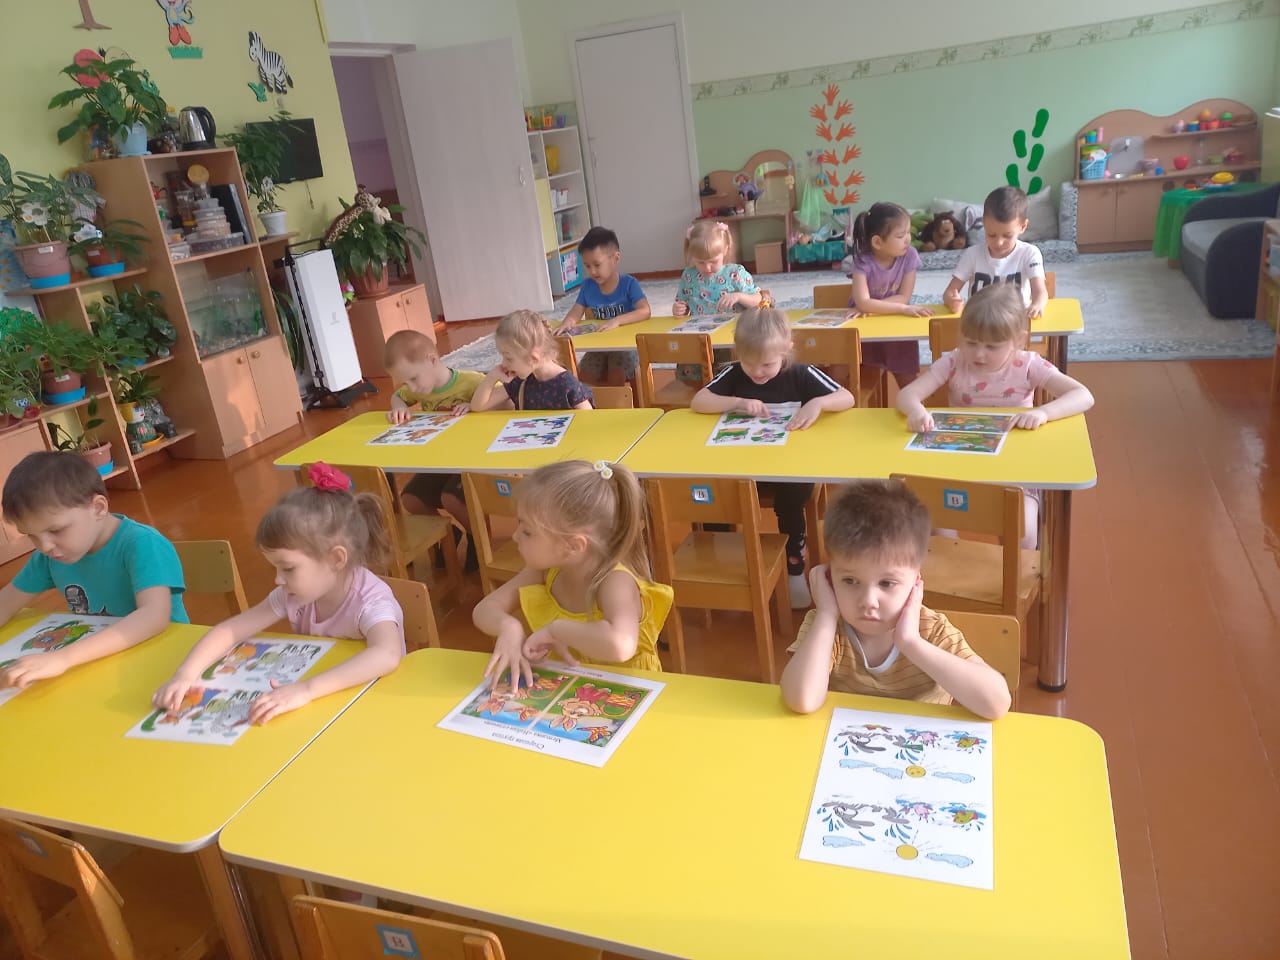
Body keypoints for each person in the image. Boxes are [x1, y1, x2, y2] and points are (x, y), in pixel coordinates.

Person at [151, 463, 404, 725]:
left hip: (374, 709)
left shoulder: (372, 602)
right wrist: (185, 674)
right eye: (276, 568)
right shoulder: (292, 594)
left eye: (288, 568)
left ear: (336, 559)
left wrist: (305, 690)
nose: (278, 579)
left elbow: (386, 654)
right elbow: (230, 631)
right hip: (321, 706)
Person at [780, 479, 1011, 720]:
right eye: (850, 580)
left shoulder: (931, 630)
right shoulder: (825, 626)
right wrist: (827, 615)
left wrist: (910, 642)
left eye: (886, 583)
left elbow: (996, 703)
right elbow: (801, 699)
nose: (868, 601)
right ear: (829, 577)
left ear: (916, 581)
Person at [896, 284, 1094, 547]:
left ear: (1018, 340)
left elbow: (1083, 395)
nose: (979, 354)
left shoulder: (1028, 364)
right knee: (939, 525)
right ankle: (957, 569)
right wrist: (916, 410)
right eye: (971, 342)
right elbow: (906, 395)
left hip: (1015, 466)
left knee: (1024, 533)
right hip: (959, 463)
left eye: (992, 346)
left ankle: (1016, 570)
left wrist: (1043, 412)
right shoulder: (954, 361)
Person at [690, 307, 854, 608]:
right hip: (743, 468)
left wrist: (818, 403)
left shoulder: (800, 373)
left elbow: (847, 397)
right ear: (738, 353)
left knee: (791, 500)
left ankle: (794, 569)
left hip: (789, 470)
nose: (757, 372)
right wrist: (738, 402)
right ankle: (727, 569)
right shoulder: (735, 374)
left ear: (786, 350)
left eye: (767, 364)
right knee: (716, 492)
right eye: (749, 363)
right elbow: (699, 400)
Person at [473, 460, 672, 690]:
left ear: (573, 546)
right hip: (571, 689)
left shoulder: (615, 581)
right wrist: (508, 627)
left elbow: (621, 644)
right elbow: (483, 609)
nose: (515, 536)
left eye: (527, 531)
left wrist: (556, 630)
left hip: (629, 692)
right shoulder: (546, 571)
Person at [0, 452, 186, 691]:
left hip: (167, 664)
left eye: (55, 531)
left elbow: (153, 617)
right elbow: (5, 604)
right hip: (100, 663)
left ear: (98, 508)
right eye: (32, 536)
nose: (45, 546)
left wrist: (63, 658)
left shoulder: (142, 544)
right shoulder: (50, 557)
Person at [383, 329, 484, 529]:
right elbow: (398, 396)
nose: (412, 388)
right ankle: (449, 536)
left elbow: (505, 399)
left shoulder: (472, 382)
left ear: (432, 360)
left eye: (413, 378)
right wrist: (399, 407)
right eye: (406, 382)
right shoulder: (420, 389)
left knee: (452, 499)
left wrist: (476, 405)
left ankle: (477, 539)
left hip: (474, 459)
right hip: (440, 461)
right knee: (411, 499)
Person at [845, 201, 933, 389]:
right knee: (850, 372)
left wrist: (872, 307)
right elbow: (862, 302)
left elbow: (904, 297)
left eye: (909, 232)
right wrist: (899, 308)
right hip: (864, 325)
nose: (908, 239)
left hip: (893, 321)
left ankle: (913, 402)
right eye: (900, 236)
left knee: (907, 378)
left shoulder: (909, 256)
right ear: (877, 242)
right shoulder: (862, 261)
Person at [555, 226, 651, 386]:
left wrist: (617, 320)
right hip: (598, 347)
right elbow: (576, 312)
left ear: (616, 258)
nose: (592, 271)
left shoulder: (629, 283)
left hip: (625, 347)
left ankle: (619, 401)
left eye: (597, 265)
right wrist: (567, 323)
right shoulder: (588, 286)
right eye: (587, 266)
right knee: (583, 377)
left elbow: (645, 311)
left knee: (616, 377)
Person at [943, 186, 1048, 317]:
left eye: (1007, 236)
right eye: (991, 235)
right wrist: (952, 301)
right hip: (979, 321)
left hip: (1015, 321)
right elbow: (949, 292)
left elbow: (1040, 292)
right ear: (984, 224)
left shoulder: (1030, 253)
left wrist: (1037, 303)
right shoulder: (972, 255)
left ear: (1023, 226)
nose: (998, 243)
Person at [470, 309, 594, 412]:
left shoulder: (566, 384)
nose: (503, 364)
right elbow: (478, 406)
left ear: (533, 358)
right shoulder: (521, 381)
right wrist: (492, 377)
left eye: (509, 358)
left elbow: (588, 421)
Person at [672, 220, 763, 317]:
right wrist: (678, 310)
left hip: (733, 325)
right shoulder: (688, 276)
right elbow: (682, 304)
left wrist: (739, 297)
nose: (707, 268)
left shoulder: (735, 274)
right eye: (700, 262)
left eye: (713, 261)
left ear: (725, 250)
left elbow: (758, 301)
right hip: (701, 325)